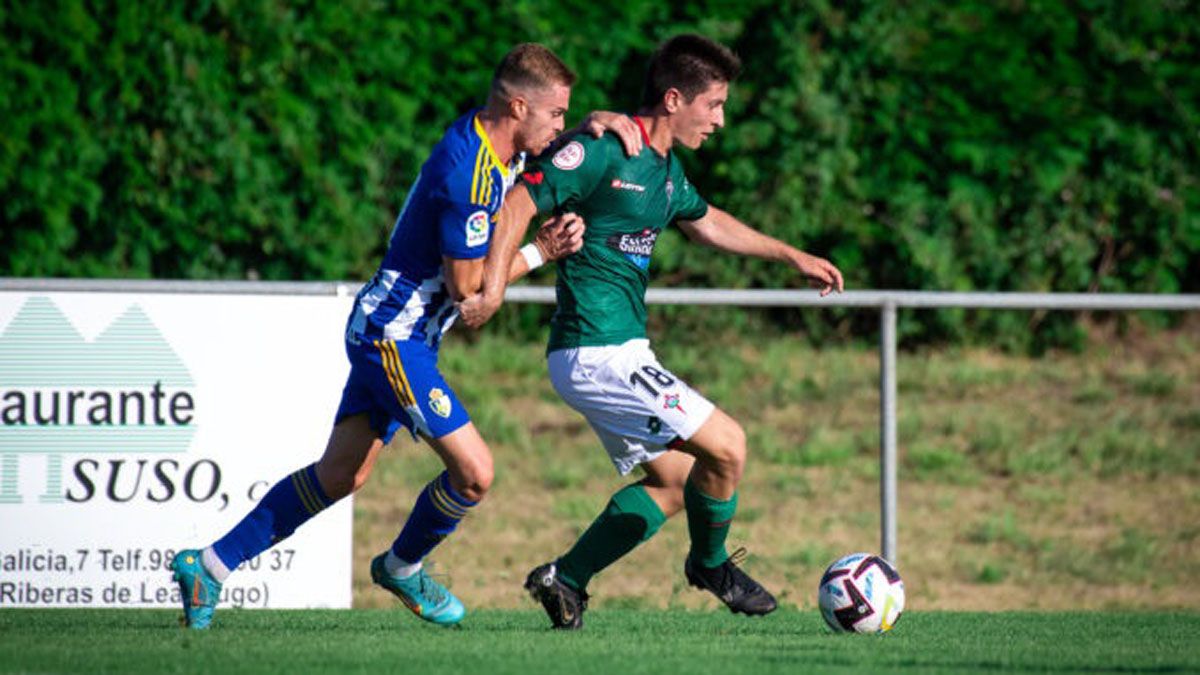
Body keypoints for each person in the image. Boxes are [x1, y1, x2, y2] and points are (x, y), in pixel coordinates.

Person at [169, 43, 643, 629]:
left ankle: (208, 566)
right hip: (392, 338)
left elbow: (545, 150)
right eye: (555, 116)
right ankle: (401, 567)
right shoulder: (467, 173)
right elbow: (470, 291)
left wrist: (594, 124)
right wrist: (537, 252)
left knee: (342, 474)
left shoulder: (500, 144)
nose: (561, 127)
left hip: (398, 332)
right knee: (475, 473)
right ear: (519, 107)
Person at [459, 34, 844, 629]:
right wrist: (494, 288)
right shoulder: (605, 151)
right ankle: (711, 566)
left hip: (618, 351)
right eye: (712, 104)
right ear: (673, 99)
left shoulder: (665, 170)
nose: (719, 119)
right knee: (729, 445)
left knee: (679, 484)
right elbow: (518, 202)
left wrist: (791, 256)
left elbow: (709, 222)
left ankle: (567, 579)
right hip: (596, 351)